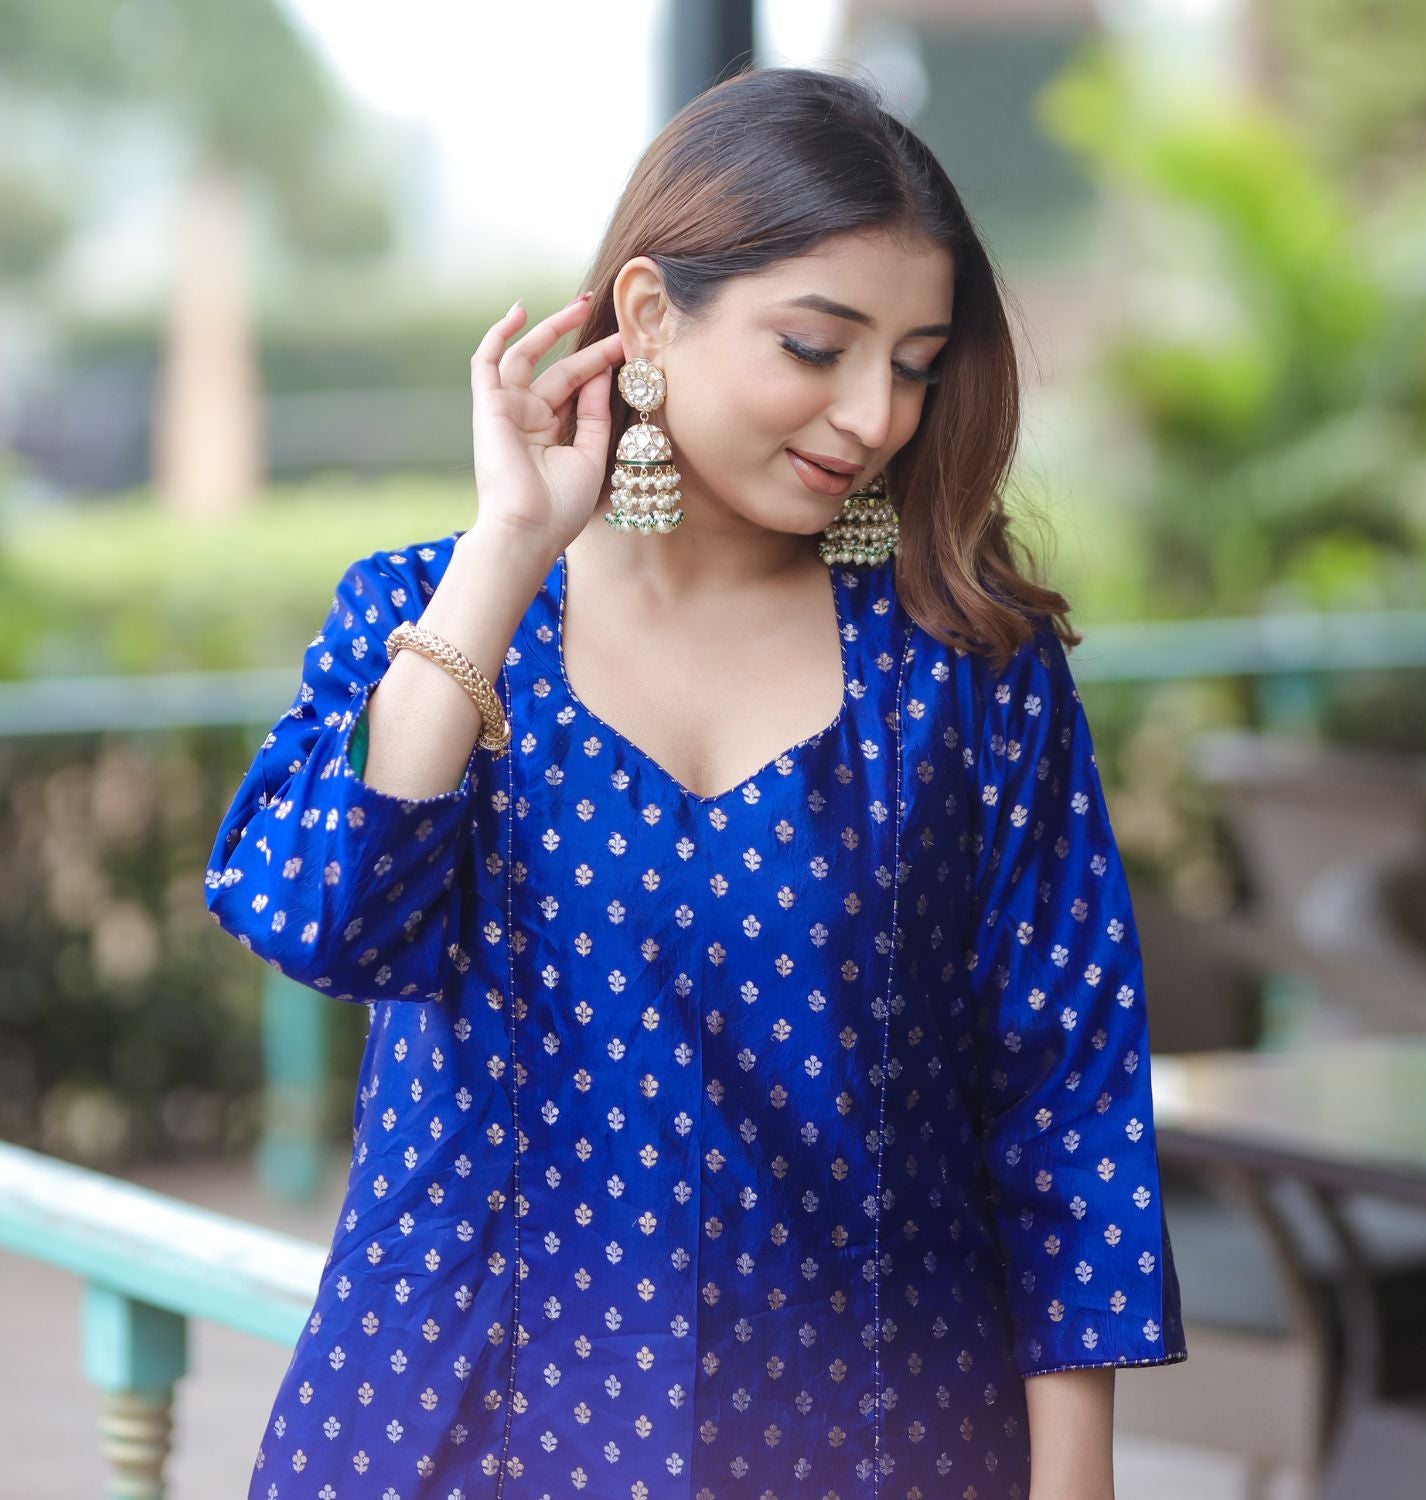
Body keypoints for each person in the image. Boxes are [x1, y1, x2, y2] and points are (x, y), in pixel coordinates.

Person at [205, 64, 1187, 1500]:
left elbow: (1068, 1105)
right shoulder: (430, 615)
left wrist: (1075, 1478)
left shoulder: (966, 671)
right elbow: (328, 922)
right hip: (463, 1432)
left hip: (876, 1443)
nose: (875, 416)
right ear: (652, 316)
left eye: (916, 363)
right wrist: (506, 551)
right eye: (816, 347)